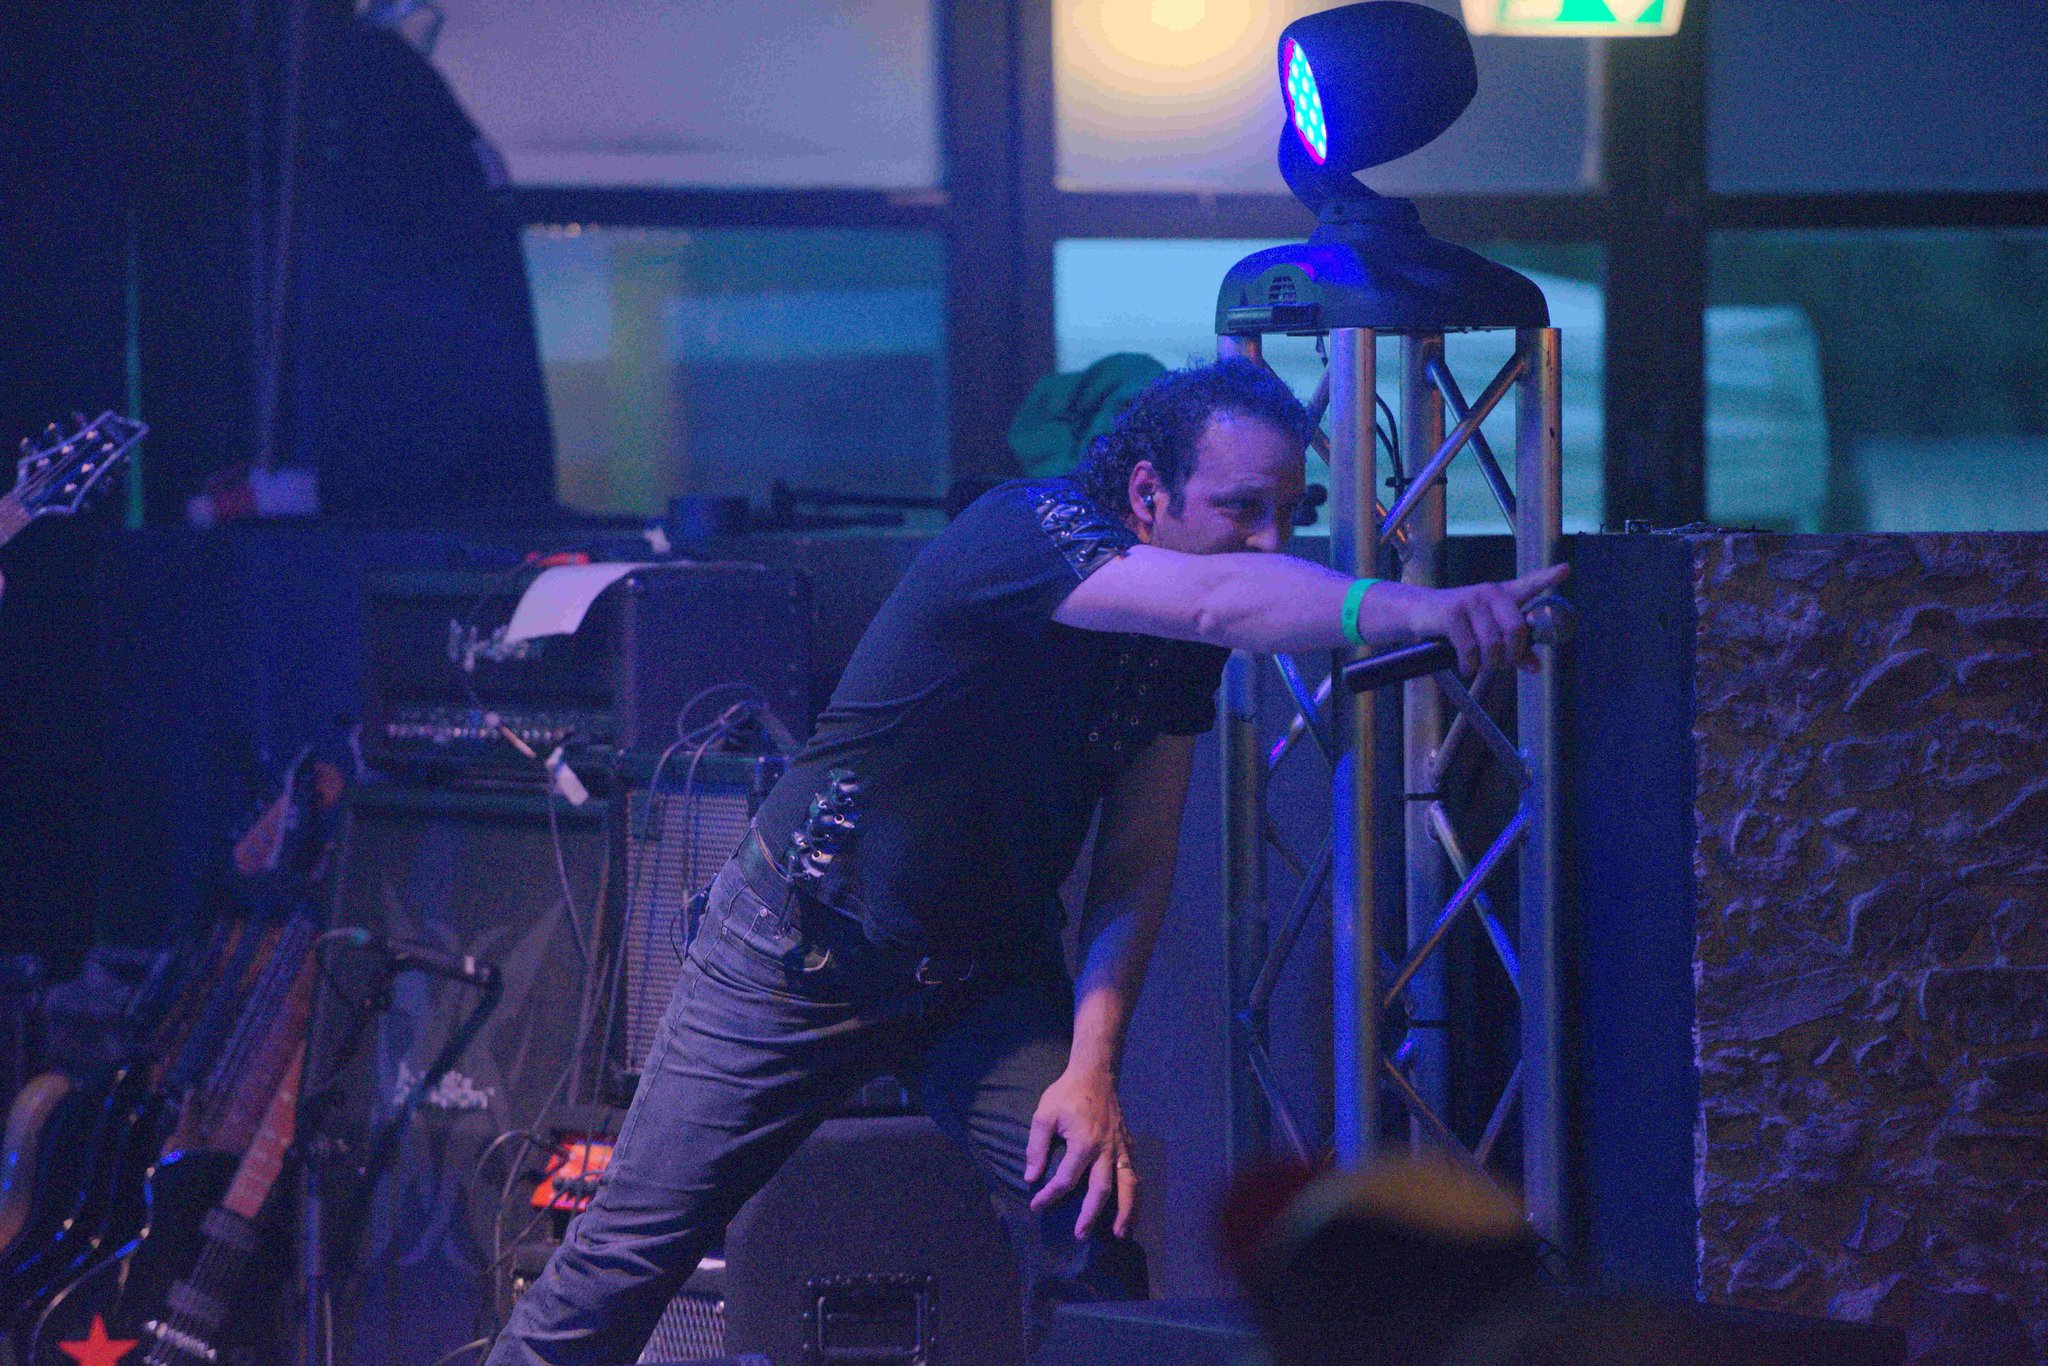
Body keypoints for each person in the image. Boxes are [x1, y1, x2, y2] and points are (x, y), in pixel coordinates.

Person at [486, 358, 1566, 1365]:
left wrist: (1091, 1068)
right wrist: (1420, 606)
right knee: (626, 1257)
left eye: (1293, 511)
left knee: (1089, 1217)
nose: (1272, 539)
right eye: (1242, 508)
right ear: (1146, 493)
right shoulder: (1023, 530)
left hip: (980, 978)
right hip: (800, 950)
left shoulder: (1176, 651)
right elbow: (1214, 600)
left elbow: (1136, 859)